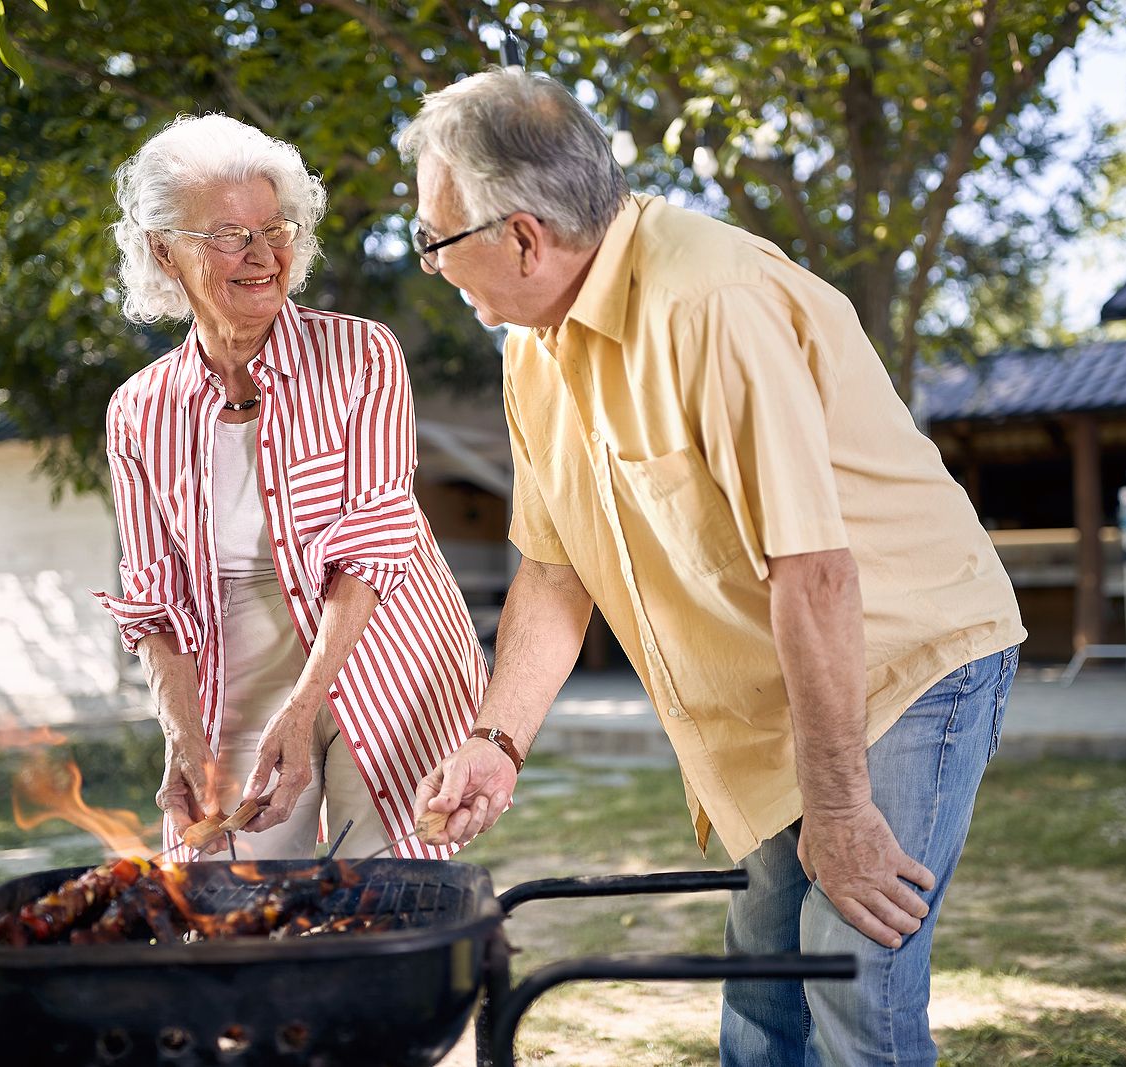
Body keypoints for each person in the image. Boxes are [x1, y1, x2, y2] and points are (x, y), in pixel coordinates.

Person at [401, 71, 1025, 1066]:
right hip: (789, 675)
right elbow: (556, 569)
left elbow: (815, 572)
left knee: (850, 985)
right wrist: (496, 737)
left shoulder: (709, 301)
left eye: (435, 238)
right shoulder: (532, 353)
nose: (429, 264)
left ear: (523, 236)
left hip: (903, 658)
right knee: (763, 996)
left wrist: (839, 809)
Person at [95, 114, 487, 862]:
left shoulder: (362, 354)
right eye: (228, 234)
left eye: (274, 228)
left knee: (378, 898)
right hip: (242, 648)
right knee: (223, 888)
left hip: (384, 639)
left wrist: (305, 707)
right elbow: (154, 597)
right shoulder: (138, 411)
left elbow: (373, 547)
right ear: (162, 250)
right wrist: (181, 736)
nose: (262, 255)